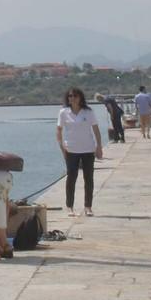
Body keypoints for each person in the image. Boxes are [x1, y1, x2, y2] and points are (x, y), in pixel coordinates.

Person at [56, 88, 104, 216]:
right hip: (71, 150)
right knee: (71, 178)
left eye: (75, 96)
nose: (72, 98)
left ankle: (88, 206)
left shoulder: (88, 112)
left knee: (89, 178)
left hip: (88, 149)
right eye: (70, 96)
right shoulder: (63, 112)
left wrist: (99, 147)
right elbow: (59, 131)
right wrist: (62, 147)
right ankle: (69, 206)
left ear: (80, 97)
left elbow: (96, 129)